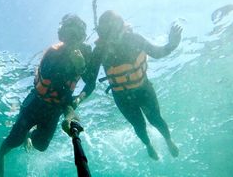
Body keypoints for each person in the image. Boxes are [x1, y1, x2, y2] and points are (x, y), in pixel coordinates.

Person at [74, 10, 182, 160]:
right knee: (139, 126)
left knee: (155, 119)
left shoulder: (135, 39)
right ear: (102, 33)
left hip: (143, 89)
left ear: (122, 27)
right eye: (107, 31)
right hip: (122, 96)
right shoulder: (100, 50)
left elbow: (158, 53)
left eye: (115, 29)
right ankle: (148, 145)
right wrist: (80, 66)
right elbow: (90, 81)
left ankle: (168, 140)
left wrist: (172, 44)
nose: (113, 35)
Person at [0, 14, 94, 177]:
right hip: (36, 103)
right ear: (62, 35)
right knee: (14, 141)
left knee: (41, 146)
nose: (72, 40)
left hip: (54, 110)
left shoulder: (84, 56)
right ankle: (0, 155)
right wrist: (79, 68)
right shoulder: (53, 53)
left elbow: (91, 84)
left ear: (82, 38)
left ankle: (30, 133)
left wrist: (78, 99)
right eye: (68, 35)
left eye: (76, 36)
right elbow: (53, 78)